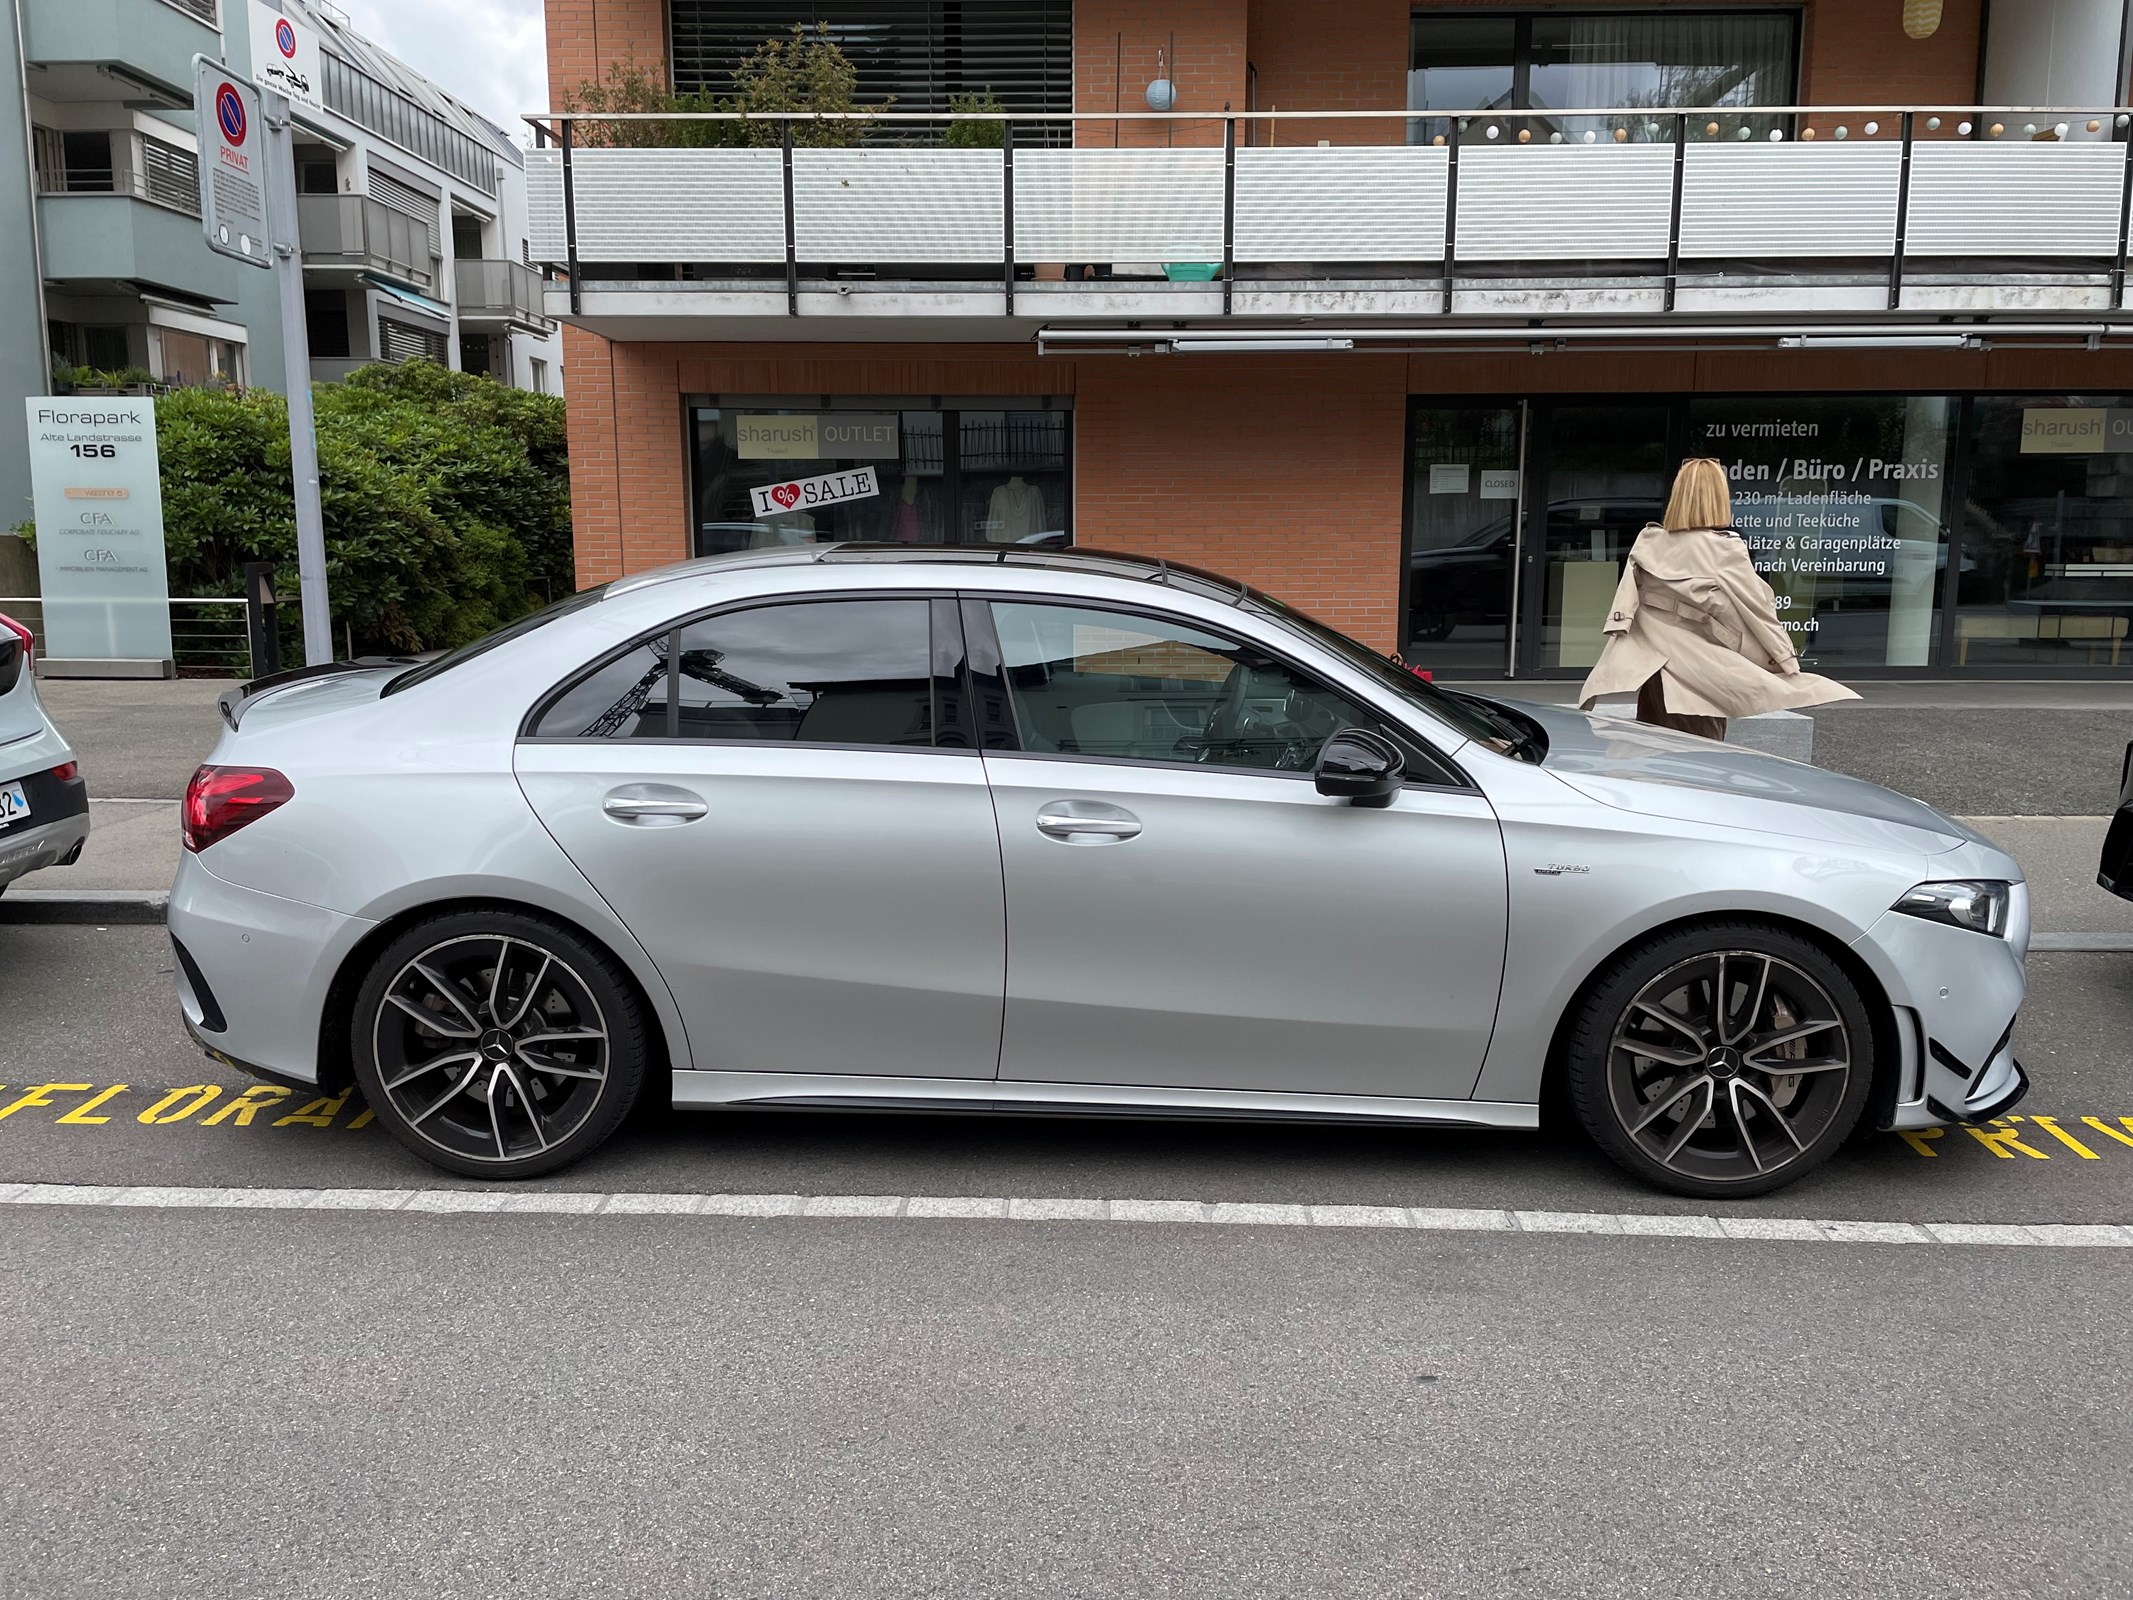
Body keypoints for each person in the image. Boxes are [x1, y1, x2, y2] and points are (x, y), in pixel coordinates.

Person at [1579, 458, 1857, 739]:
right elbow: (1757, 610)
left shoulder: (1649, 540)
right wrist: (1786, 661)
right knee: (1701, 760)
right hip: (1703, 674)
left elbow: (1629, 603)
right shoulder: (1724, 548)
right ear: (1718, 498)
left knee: (1652, 753)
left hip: (1655, 671)